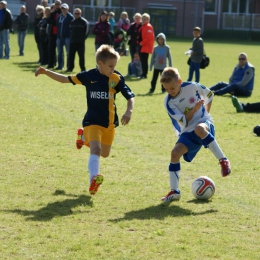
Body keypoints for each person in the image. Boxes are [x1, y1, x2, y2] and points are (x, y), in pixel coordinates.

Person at [35, 44, 135, 196]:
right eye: (110, 66)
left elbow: (130, 97)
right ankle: (93, 179)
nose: (112, 69)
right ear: (100, 63)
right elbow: (65, 79)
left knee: (105, 154)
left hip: (108, 125)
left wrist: (129, 111)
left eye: (114, 66)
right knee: (96, 150)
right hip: (92, 122)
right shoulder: (89, 76)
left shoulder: (116, 78)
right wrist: (45, 71)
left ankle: (82, 137)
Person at [159, 67, 231, 202]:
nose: (169, 92)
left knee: (199, 129)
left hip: (204, 124)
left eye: (172, 88)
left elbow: (209, 94)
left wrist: (206, 114)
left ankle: (223, 160)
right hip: (187, 130)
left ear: (179, 81)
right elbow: (184, 122)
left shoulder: (192, 86)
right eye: (166, 89)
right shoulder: (168, 102)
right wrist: (195, 109)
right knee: (175, 153)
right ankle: (174, 192)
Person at [68, 8, 89, 72]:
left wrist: (82, 39)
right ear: (73, 14)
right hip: (72, 42)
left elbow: (87, 32)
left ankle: (82, 69)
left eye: (78, 13)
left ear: (81, 13)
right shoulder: (72, 22)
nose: (77, 15)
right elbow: (70, 30)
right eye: (75, 13)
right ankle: (70, 68)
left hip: (80, 43)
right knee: (71, 56)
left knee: (81, 57)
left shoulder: (84, 22)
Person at [56, 3, 74, 70]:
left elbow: (72, 27)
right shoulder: (59, 16)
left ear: (67, 9)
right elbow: (57, 25)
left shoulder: (70, 17)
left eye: (65, 9)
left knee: (68, 52)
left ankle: (69, 66)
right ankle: (60, 66)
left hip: (67, 37)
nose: (63, 10)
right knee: (59, 52)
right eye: (62, 8)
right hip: (59, 37)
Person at [138, 13, 154, 79]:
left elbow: (148, 38)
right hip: (142, 46)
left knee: (144, 61)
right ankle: (143, 74)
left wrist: (141, 43)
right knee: (142, 61)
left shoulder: (148, 27)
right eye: (142, 19)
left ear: (148, 20)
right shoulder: (143, 26)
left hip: (145, 46)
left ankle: (144, 74)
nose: (143, 20)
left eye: (145, 19)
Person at [47, 0, 61, 69]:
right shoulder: (52, 13)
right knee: (51, 49)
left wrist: (54, 22)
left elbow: (59, 23)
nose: (57, 5)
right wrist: (55, 22)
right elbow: (49, 21)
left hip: (60, 35)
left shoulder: (62, 13)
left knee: (60, 51)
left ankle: (60, 65)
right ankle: (51, 64)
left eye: (58, 4)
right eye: (56, 4)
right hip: (53, 34)